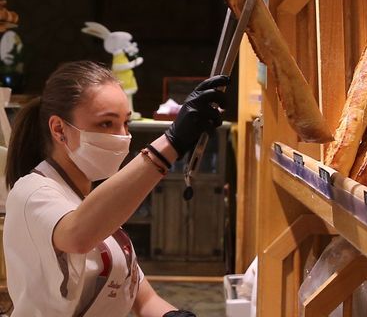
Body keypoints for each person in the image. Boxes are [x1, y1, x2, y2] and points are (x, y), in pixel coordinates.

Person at [3, 60, 228, 317]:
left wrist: (170, 315)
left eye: (126, 124)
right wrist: (171, 143)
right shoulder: (32, 192)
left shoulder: (93, 202)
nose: (122, 137)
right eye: (106, 124)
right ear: (58, 129)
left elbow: (143, 298)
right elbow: (77, 235)